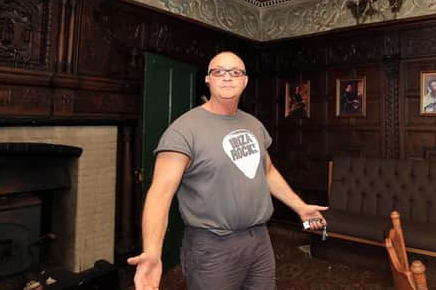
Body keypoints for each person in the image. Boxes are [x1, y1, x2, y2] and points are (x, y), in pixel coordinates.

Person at [128, 51, 327, 290]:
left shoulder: (253, 124)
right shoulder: (183, 130)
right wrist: (152, 251)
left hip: (260, 241)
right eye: (218, 71)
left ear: (245, 81)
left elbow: (268, 171)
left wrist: (300, 207)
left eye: (235, 72)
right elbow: (160, 194)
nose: (227, 77)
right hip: (212, 246)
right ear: (207, 79)